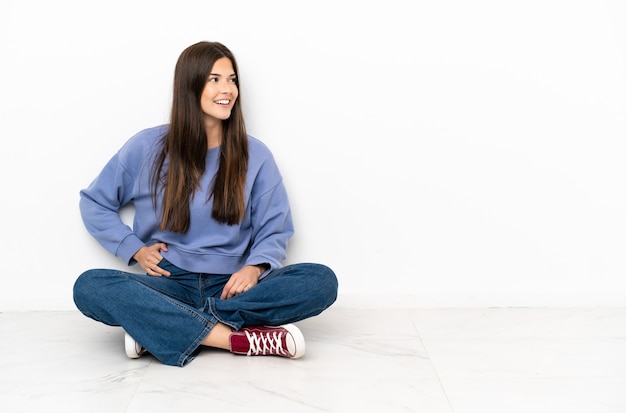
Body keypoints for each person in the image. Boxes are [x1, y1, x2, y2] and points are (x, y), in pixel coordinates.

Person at [73, 41, 338, 367]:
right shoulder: (146, 147)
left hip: (233, 286)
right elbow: (95, 201)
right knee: (90, 286)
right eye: (214, 79)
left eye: (232, 79)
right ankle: (233, 339)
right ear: (190, 85)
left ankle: (161, 327)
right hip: (169, 282)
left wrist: (255, 268)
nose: (227, 89)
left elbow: (275, 227)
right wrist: (135, 248)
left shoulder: (256, 156)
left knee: (320, 281)